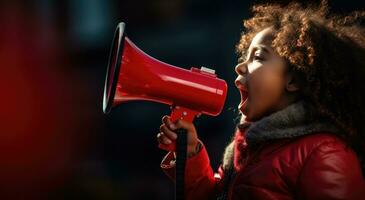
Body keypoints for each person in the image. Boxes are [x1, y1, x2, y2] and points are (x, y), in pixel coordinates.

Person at [156, 1, 365, 199]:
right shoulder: (249, 145)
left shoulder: (324, 153)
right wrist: (190, 153)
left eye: (258, 57)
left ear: (293, 79)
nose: (240, 67)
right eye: (243, 58)